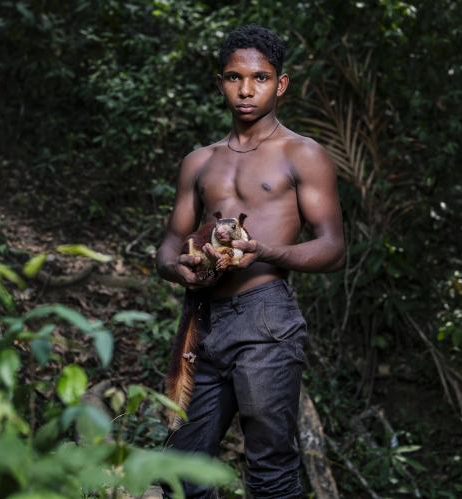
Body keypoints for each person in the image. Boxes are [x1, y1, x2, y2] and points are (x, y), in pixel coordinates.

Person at [155, 24, 345, 499]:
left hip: (265, 317)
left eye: (259, 78)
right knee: (182, 468)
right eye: (234, 77)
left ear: (279, 84)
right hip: (203, 321)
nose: (245, 89)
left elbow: (333, 247)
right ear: (220, 82)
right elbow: (169, 243)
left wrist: (266, 251)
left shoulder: (302, 154)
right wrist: (176, 266)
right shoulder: (199, 162)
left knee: (270, 471)